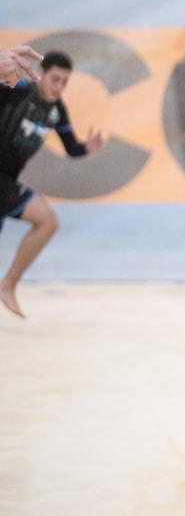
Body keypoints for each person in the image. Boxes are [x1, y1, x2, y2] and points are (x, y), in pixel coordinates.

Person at [1, 50, 104, 318]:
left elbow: (71, 147)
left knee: (47, 222)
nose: (59, 87)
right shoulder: (19, 91)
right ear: (41, 74)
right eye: (55, 79)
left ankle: (7, 285)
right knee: (47, 221)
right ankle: (8, 285)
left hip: (8, 181)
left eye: (65, 82)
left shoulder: (57, 109)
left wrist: (87, 148)